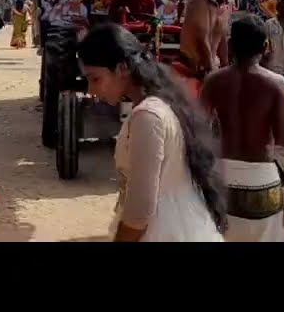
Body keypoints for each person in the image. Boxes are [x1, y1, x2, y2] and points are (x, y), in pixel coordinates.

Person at [78, 23, 226, 241]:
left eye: (95, 79)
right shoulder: (163, 104)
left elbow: (139, 213)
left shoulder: (147, 116)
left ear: (122, 69)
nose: (90, 90)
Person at [202, 15, 284, 242]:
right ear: (266, 46)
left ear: (231, 44)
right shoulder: (276, 83)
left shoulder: (214, 80)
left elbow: (197, 128)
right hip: (262, 181)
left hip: (223, 178)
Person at [176, 0, 233, 98]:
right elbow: (202, 37)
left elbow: (222, 37)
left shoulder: (226, 3)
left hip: (212, 65)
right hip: (193, 64)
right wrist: (210, 69)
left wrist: (225, 67)